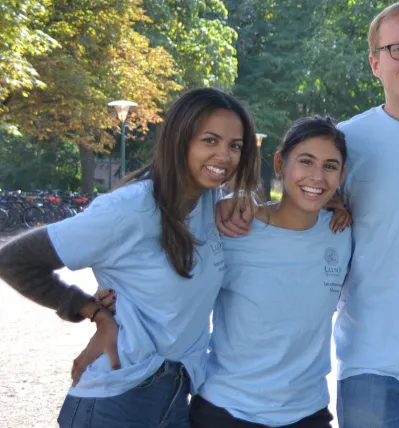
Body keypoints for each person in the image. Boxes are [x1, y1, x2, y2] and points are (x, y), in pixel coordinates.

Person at [215, 3, 399, 427]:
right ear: (375, 63)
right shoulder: (349, 141)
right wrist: (239, 201)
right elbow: (300, 204)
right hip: (372, 364)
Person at [0, 87, 259, 427]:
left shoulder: (210, 202)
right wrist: (93, 312)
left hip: (176, 393)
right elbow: (13, 260)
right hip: (117, 398)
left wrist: (332, 204)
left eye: (234, 145)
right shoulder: (131, 208)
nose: (224, 156)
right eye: (209, 140)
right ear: (180, 139)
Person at [189, 116, 352, 427]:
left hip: (308, 413)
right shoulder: (232, 227)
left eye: (330, 166)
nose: (317, 176)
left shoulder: (342, 233)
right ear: (280, 163)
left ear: (341, 174)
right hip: (226, 411)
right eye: (306, 161)